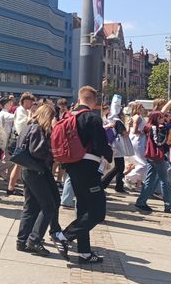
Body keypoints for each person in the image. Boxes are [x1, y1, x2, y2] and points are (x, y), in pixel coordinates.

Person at [59, 86, 113, 264]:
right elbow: (100, 145)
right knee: (97, 211)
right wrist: (109, 155)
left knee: (83, 210)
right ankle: (64, 236)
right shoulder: (92, 118)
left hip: (72, 167)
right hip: (88, 168)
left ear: (79, 98)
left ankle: (84, 252)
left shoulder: (68, 116)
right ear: (94, 101)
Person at [15, 103, 67, 256]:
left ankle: (22, 240)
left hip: (29, 169)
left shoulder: (29, 126)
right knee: (48, 205)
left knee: (31, 206)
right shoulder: (38, 129)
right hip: (36, 170)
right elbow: (36, 151)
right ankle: (34, 239)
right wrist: (52, 153)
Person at [134, 112, 171, 213]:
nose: (163, 119)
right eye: (161, 117)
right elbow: (159, 142)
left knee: (150, 179)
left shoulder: (149, 127)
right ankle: (169, 205)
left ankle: (141, 202)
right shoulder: (154, 128)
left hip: (151, 156)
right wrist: (164, 131)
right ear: (156, 118)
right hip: (157, 156)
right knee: (164, 181)